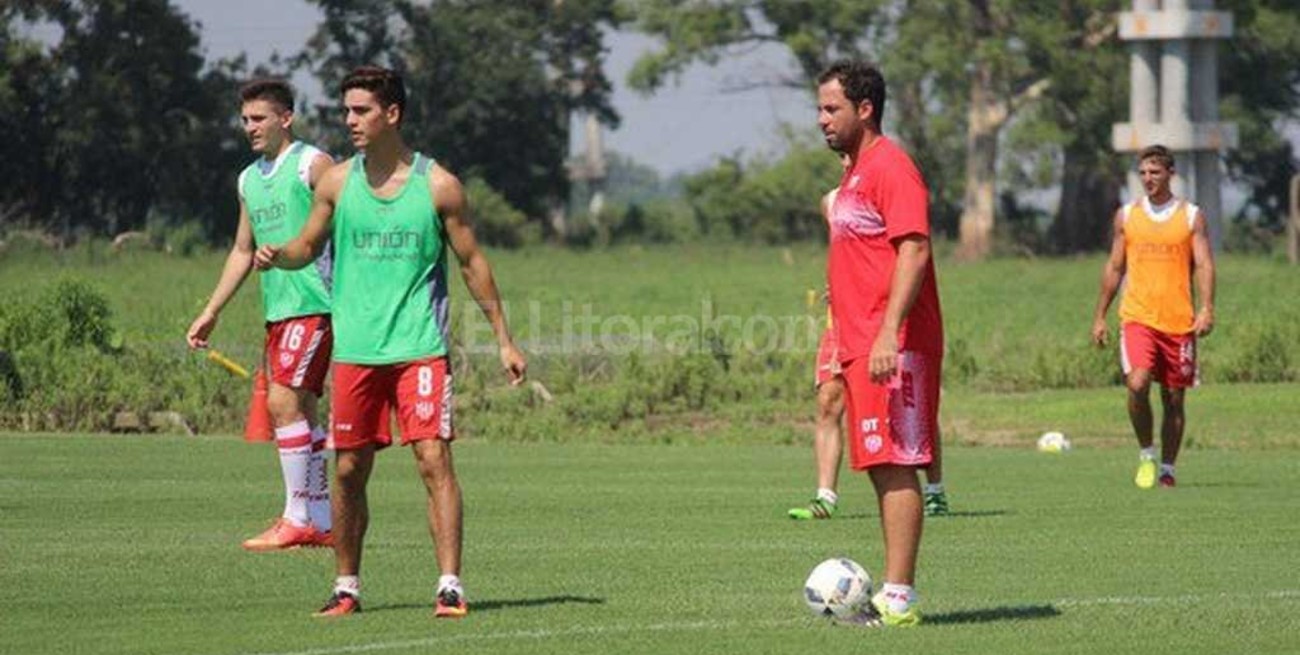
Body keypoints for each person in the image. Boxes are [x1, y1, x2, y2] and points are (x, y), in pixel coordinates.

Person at [254, 66, 527, 619]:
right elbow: (308, 246)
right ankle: (347, 587)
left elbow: (473, 264)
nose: (349, 121)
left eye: (361, 111)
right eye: (346, 111)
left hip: (419, 348)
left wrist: (504, 339)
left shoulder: (438, 186)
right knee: (350, 471)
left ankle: (449, 584)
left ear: (392, 114)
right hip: (356, 352)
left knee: (433, 459)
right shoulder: (335, 183)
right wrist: (278, 253)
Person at [814, 60, 944, 627]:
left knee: (895, 463)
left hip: (893, 342)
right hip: (861, 340)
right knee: (878, 464)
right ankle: (895, 593)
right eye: (819, 109)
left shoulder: (892, 167)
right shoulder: (854, 173)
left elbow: (914, 249)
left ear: (864, 109)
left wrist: (889, 329)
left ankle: (899, 598)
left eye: (831, 108)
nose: (821, 120)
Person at [186, 79, 335, 551]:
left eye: (259, 118)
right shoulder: (249, 179)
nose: (249, 127)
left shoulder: (312, 164)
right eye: (245, 119)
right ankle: (323, 519)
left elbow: (349, 218)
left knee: (281, 402)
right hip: (279, 308)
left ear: (285, 118)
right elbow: (241, 249)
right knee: (302, 410)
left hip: (317, 302)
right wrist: (211, 310)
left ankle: (296, 518)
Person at [789, 169, 950, 521]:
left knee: (914, 405)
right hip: (843, 319)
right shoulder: (832, 202)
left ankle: (935, 490)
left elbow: (904, 251)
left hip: (886, 316)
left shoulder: (894, 186)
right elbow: (848, 253)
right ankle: (825, 497)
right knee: (828, 400)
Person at [1091, 145, 1215, 489]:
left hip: (1179, 320)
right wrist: (1100, 315)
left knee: (1174, 398)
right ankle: (1146, 454)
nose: (1148, 178)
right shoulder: (1127, 216)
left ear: (1170, 174)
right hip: (1137, 317)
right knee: (1137, 382)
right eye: (1143, 172)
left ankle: (1167, 468)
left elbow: (1204, 263)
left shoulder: (1191, 216)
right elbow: (1115, 267)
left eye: (1155, 172)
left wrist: (1206, 307)